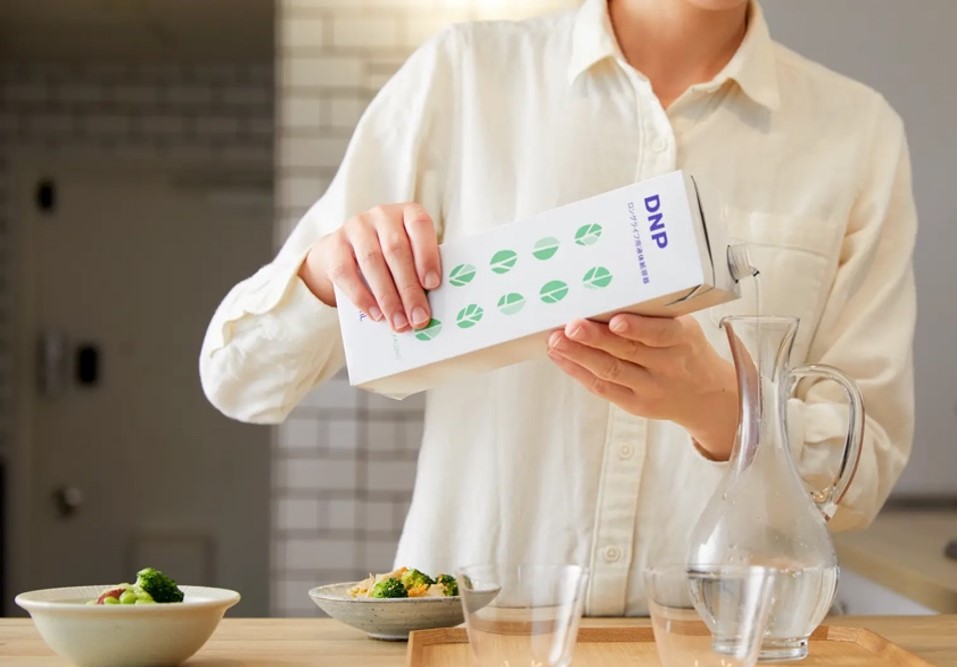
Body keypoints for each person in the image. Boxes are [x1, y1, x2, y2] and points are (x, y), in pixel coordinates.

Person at [200, 0, 916, 616]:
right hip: (472, 646)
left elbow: (863, 475)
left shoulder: (856, 133)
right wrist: (330, 273)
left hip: (734, 651)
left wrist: (726, 405)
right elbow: (241, 377)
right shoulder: (465, 78)